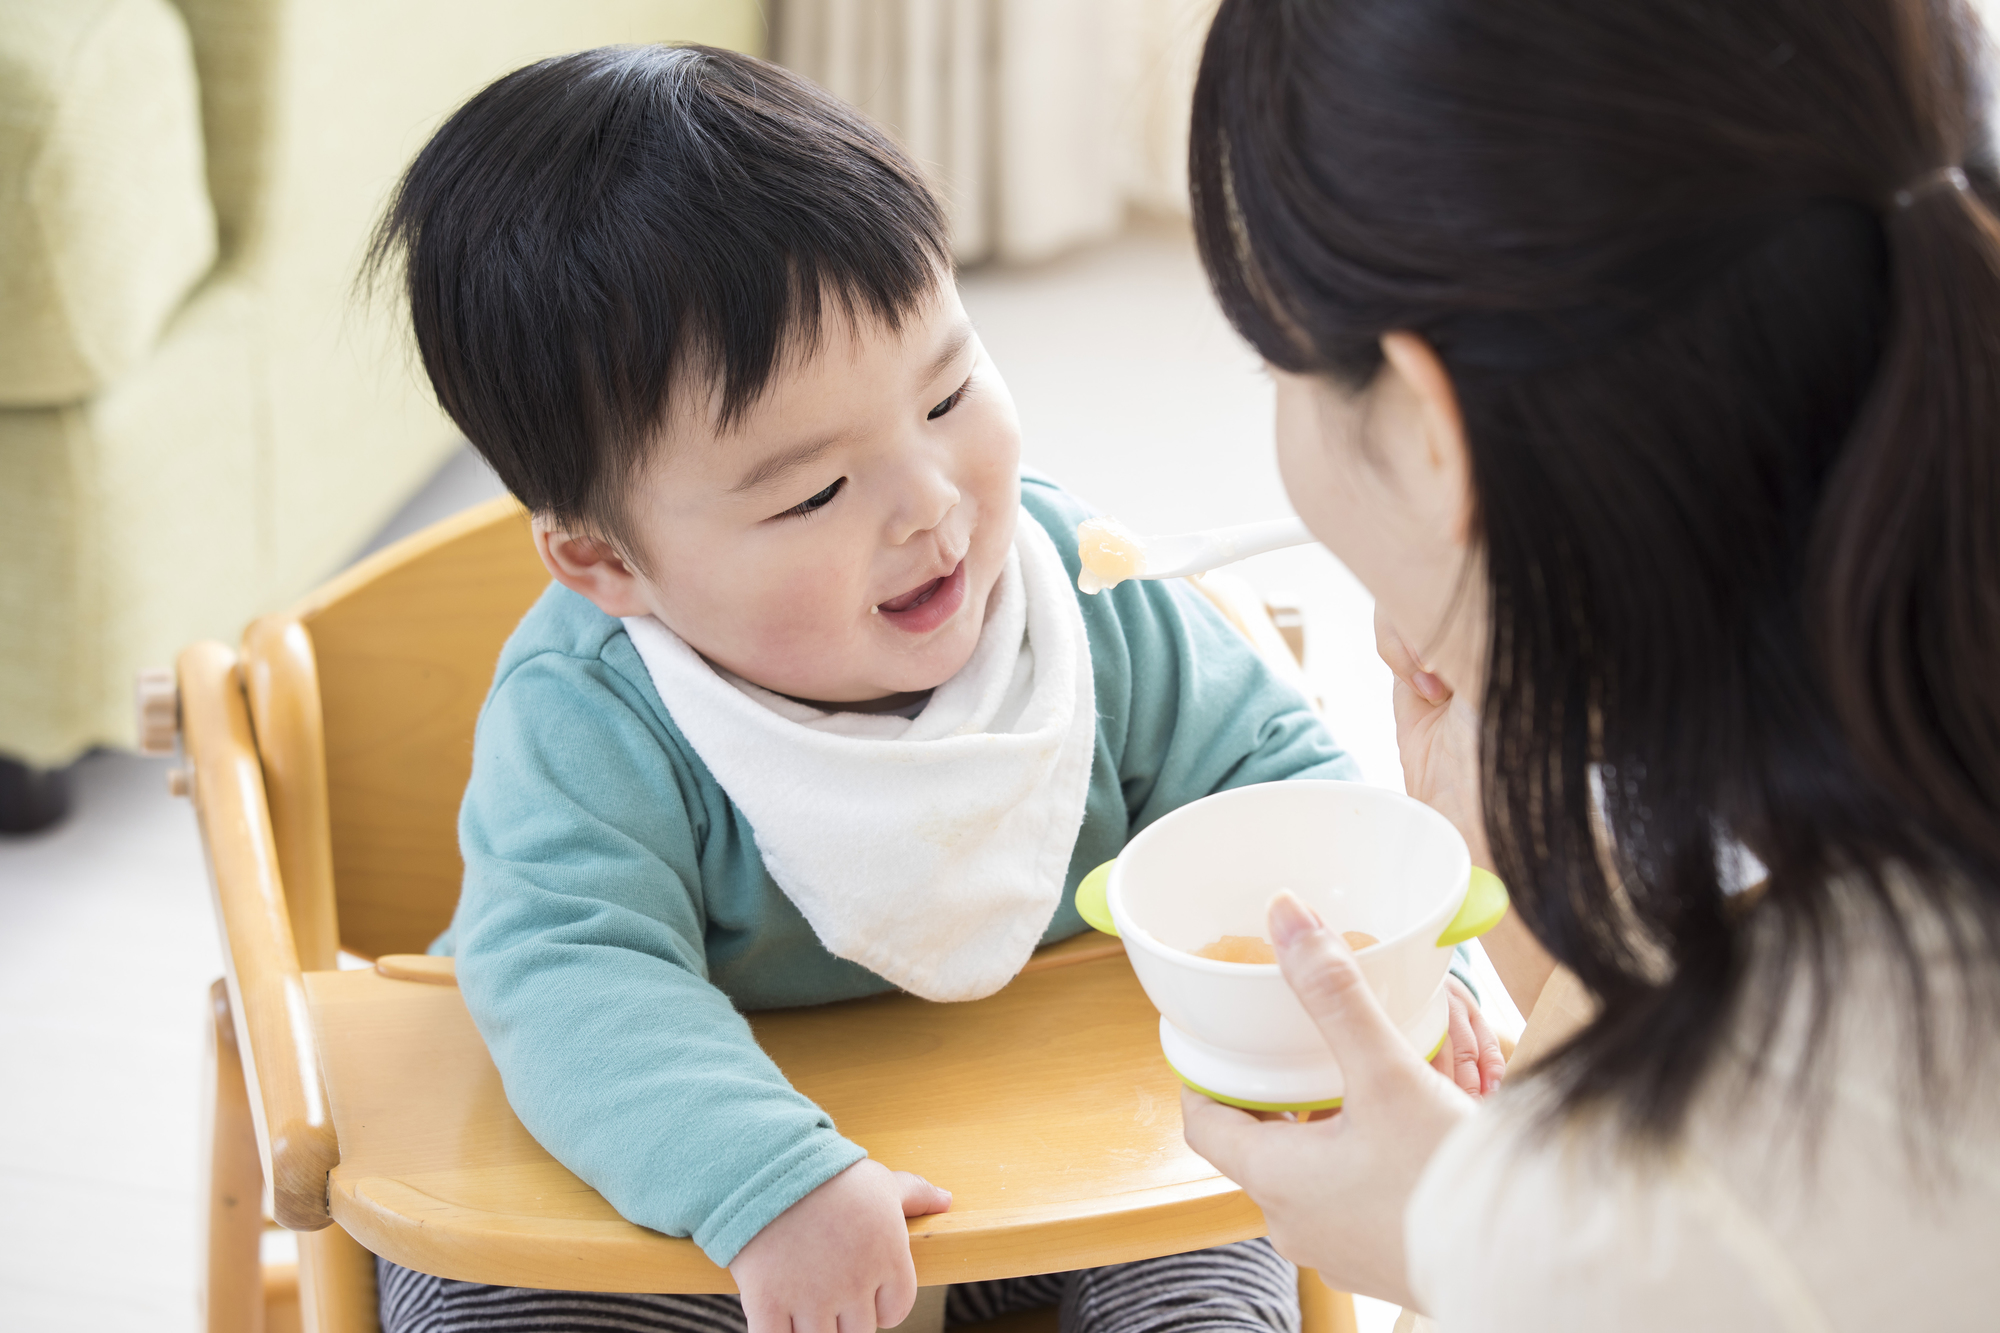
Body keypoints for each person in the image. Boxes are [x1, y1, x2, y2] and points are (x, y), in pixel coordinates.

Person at [362, 44, 1505, 1333]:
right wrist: (763, 1181)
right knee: (502, 1294)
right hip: (720, 1201)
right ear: (605, 559)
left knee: (1218, 1240)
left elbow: (1285, 800)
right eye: (811, 492)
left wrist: (1413, 978)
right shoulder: (594, 717)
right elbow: (567, 976)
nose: (931, 504)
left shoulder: (1087, 602)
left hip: (1063, 1167)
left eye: (949, 390)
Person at [1176, 0, 2000, 1326]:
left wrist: (1448, 1233)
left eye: (1271, 353)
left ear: (1431, 432)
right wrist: (1563, 899)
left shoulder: (1607, 1242)